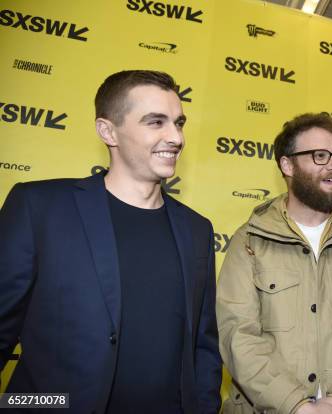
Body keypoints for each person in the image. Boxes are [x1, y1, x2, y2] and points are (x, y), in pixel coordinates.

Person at [0, 70, 222, 413]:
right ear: (108, 131)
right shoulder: (39, 207)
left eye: (179, 122)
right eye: (156, 122)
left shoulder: (197, 229)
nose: (175, 137)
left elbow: (203, 345)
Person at [216, 113, 332, 413]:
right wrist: (295, 406)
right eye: (319, 156)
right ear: (287, 165)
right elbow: (237, 335)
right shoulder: (249, 241)